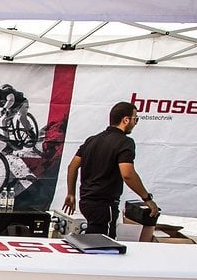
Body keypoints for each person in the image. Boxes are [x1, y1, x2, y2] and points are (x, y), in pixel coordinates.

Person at [62, 101, 159, 238]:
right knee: (103, 247)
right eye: (135, 119)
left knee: (93, 242)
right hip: (103, 204)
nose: (135, 123)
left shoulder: (92, 140)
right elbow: (128, 174)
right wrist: (146, 198)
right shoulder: (125, 142)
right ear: (126, 120)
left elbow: (72, 166)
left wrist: (71, 193)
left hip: (86, 202)